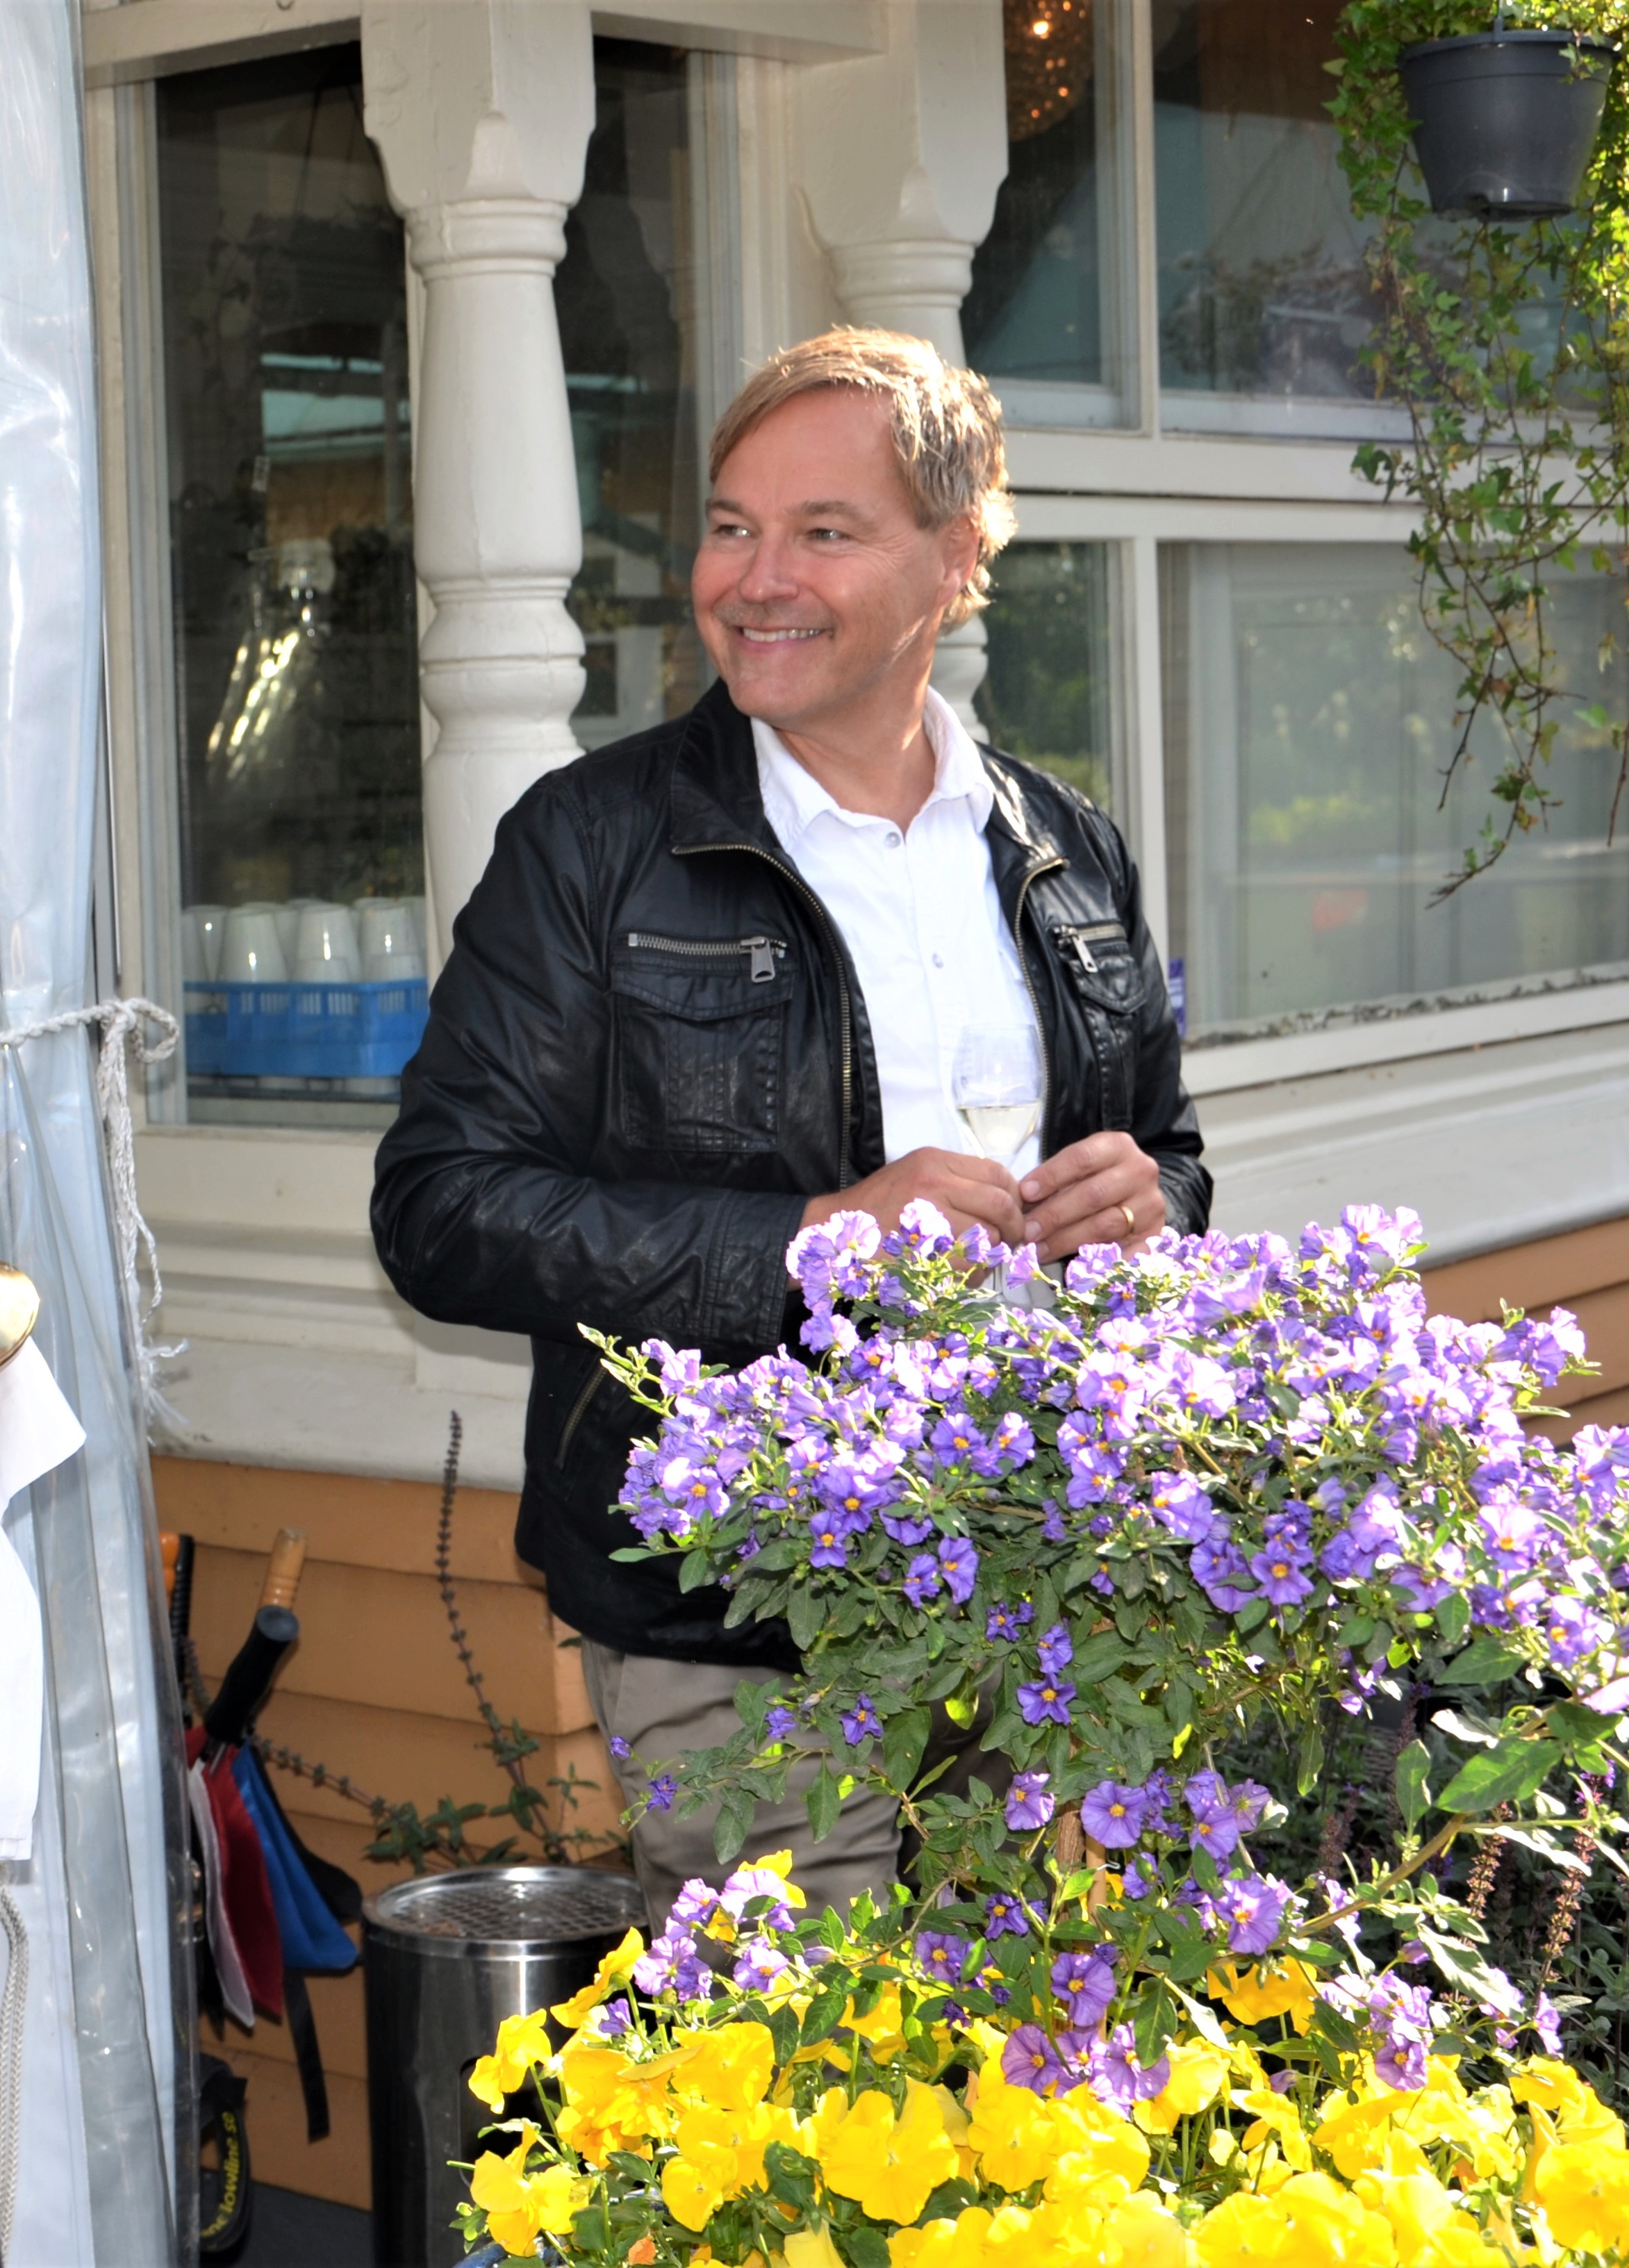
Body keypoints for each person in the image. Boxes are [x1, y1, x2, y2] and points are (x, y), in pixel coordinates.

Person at [371, 329, 1209, 1923]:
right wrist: (811, 1240)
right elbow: (440, 1210)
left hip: (1039, 1583)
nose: (754, 579)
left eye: (823, 531)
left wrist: (1149, 1202)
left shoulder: (1065, 849)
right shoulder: (592, 844)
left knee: (1035, 2026)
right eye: (731, 525)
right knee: (807, 2052)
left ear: (956, 557)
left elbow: (1169, 1154)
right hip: (736, 1620)